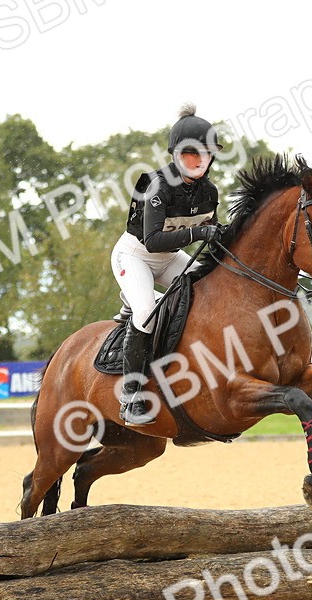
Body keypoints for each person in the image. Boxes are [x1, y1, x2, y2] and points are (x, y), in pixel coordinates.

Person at [112, 103, 222, 426]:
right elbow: (152, 241)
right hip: (135, 256)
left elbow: (211, 234)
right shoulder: (158, 185)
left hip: (171, 258)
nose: (197, 160)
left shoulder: (209, 192)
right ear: (175, 156)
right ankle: (131, 396)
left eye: (204, 153)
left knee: (212, 291)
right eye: (189, 153)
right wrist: (199, 232)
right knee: (147, 311)